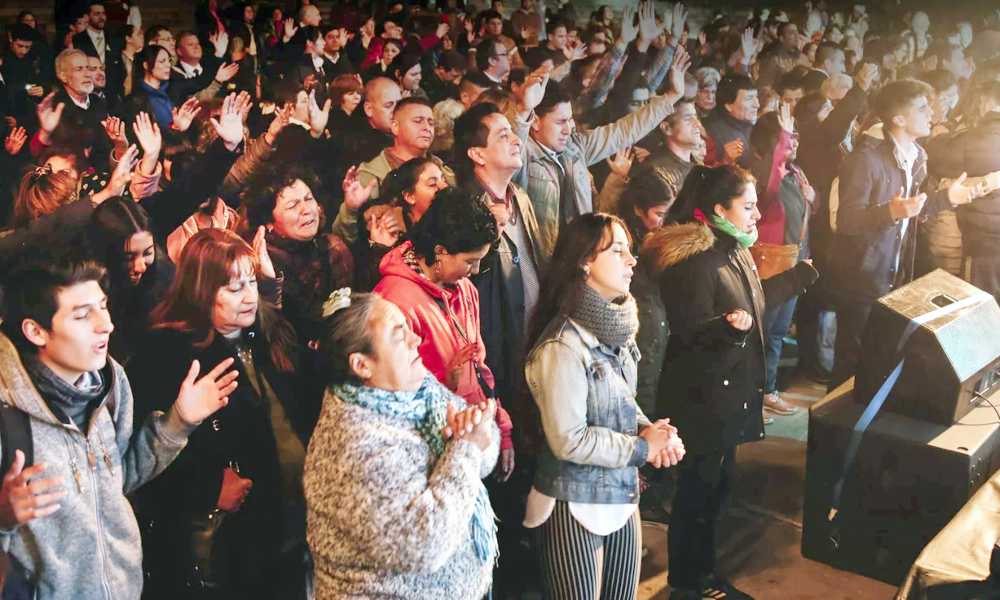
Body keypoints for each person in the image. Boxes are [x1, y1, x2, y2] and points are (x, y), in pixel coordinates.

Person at [0, 254, 237, 599]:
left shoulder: (110, 384)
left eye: (103, 306)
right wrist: (4, 517)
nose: (105, 325)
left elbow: (118, 478)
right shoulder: (8, 415)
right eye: (82, 315)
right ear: (36, 331)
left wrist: (179, 422)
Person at [642, 164, 818, 600]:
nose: (757, 215)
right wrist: (726, 329)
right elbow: (688, 334)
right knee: (697, 497)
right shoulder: (694, 260)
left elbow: (750, 306)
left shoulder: (732, 249)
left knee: (716, 491)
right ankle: (690, 582)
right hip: (701, 400)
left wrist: (799, 278)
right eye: (749, 206)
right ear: (719, 208)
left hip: (728, 395)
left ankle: (705, 573)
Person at [127, 228, 317, 600]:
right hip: (222, 547)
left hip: (289, 525)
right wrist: (207, 487)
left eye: (250, 282)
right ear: (201, 291)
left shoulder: (267, 332)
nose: (248, 296)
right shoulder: (165, 351)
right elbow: (139, 455)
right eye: (233, 288)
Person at [522, 212, 685, 600]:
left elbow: (622, 398)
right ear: (584, 262)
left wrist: (653, 431)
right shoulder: (562, 346)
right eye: (618, 251)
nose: (632, 260)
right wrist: (643, 448)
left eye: (629, 251)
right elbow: (569, 441)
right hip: (575, 501)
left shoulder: (616, 325)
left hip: (621, 492)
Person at [304, 291, 499, 599]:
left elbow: (485, 449)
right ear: (362, 364)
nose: (416, 339)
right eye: (399, 335)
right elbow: (424, 545)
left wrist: (472, 436)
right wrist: (463, 450)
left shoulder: (418, 386)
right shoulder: (356, 443)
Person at [828, 79, 984, 389]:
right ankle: (831, 436)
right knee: (849, 365)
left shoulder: (917, 156)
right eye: (923, 107)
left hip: (895, 274)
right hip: (861, 278)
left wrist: (947, 198)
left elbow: (914, 209)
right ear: (898, 118)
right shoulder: (866, 159)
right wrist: (890, 212)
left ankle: (867, 432)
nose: (932, 113)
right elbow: (846, 220)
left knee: (879, 362)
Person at [374, 187, 515, 471]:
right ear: (440, 252)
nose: (475, 271)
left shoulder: (464, 289)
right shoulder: (393, 301)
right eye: (470, 261)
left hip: (474, 436)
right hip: (433, 453)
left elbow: (479, 370)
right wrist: (447, 381)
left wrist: (501, 426)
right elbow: (394, 398)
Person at [515, 45, 691, 260]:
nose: (569, 128)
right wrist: (523, 110)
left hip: (580, 261)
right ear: (535, 122)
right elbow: (514, 144)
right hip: (540, 269)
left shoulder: (575, 147)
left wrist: (672, 96)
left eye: (570, 119)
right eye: (560, 121)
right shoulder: (521, 157)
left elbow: (623, 131)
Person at [242, 162, 356, 346]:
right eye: (293, 205)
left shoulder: (332, 248)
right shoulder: (261, 263)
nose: (307, 209)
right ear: (269, 222)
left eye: (308, 198)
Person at [85, 196, 175, 364]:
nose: (141, 266)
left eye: (148, 253)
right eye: (128, 257)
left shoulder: (164, 279)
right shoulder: (88, 293)